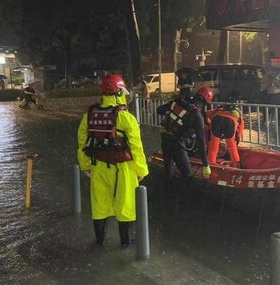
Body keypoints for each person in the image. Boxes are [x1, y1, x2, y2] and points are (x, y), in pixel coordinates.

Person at [77, 74, 148, 247]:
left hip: (98, 166)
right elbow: (136, 147)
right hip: (123, 168)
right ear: (118, 93)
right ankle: (125, 244)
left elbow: (82, 141)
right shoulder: (125, 117)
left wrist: (85, 165)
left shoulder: (90, 114)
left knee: (99, 204)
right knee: (125, 205)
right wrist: (141, 170)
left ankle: (99, 242)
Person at [157, 68, 212, 206]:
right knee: (186, 173)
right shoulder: (196, 114)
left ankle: (167, 198)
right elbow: (201, 141)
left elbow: (159, 110)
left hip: (165, 139)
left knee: (168, 169)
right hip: (177, 144)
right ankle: (183, 202)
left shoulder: (176, 102)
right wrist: (206, 165)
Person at [206, 104, 245, 168]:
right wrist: (236, 142)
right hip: (230, 123)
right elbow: (239, 134)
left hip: (216, 120)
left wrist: (209, 124)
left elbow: (206, 113)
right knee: (232, 148)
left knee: (213, 147)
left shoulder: (217, 110)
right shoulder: (239, 116)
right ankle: (236, 167)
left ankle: (211, 166)